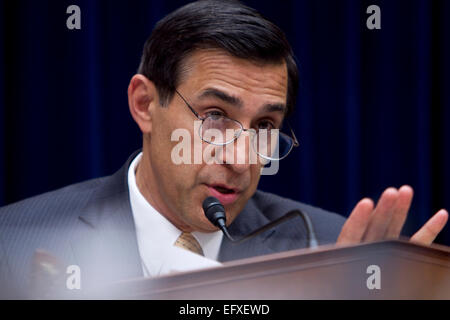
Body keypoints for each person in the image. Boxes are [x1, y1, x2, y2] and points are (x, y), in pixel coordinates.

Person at [0, 0, 447, 299]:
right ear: (144, 104)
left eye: (265, 126)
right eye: (215, 117)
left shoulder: (334, 256)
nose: (241, 158)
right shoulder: (12, 246)